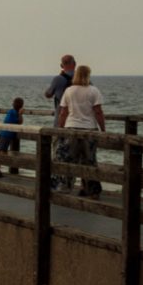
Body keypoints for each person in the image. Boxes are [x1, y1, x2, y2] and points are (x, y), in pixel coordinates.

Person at [55, 64, 107, 197]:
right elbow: (98, 112)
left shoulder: (69, 91)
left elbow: (63, 112)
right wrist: (103, 129)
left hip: (71, 127)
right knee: (89, 160)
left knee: (68, 158)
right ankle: (92, 190)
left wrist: (60, 130)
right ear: (88, 75)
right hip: (89, 129)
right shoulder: (94, 90)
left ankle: (65, 187)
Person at [44, 55, 77, 191]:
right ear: (74, 64)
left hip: (60, 121)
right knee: (74, 154)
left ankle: (58, 182)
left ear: (62, 65)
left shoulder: (58, 79)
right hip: (76, 121)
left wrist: (60, 76)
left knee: (58, 153)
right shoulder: (82, 79)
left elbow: (48, 94)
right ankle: (71, 182)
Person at [0, 97, 24, 173]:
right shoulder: (15, 113)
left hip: (2, 132)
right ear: (21, 106)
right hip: (7, 135)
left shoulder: (10, 111)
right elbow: (20, 122)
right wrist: (20, 114)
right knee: (3, 152)